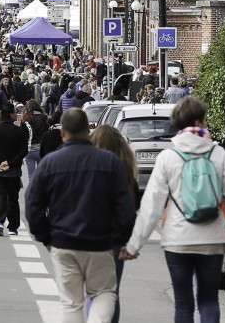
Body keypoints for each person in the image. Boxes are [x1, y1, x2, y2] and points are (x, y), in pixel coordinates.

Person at [120, 97, 225, 323]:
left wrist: (134, 245)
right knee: (208, 301)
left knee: (183, 305)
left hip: (177, 239)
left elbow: (151, 205)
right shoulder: (218, 155)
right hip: (213, 238)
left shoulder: (168, 157)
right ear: (200, 121)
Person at [25, 108, 136, 323]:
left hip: (63, 241)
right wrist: (120, 238)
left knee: (71, 302)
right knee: (104, 293)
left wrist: (45, 237)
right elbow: (126, 207)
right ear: (88, 130)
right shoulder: (109, 162)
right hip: (101, 242)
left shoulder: (50, 163)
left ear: (63, 133)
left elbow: (33, 204)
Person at [89, 125, 140, 323]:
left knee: (91, 291)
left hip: (89, 237)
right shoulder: (126, 171)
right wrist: (130, 242)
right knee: (112, 292)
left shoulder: (89, 166)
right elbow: (131, 209)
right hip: (115, 240)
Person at [0, 103, 29, 237]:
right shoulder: (18, 131)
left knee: (0, 197)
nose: (16, 114)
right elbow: (23, 150)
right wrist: (11, 163)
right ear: (10, 114)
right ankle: (13, 227)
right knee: (13, 199)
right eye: (15, 112)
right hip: (13, 171)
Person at [20, 99, 49, 183]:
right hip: (41, 149)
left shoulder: (25, 120)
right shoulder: (44, 118)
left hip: (29, 149)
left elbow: (23, 136)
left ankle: (33, 193)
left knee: (31, 176)